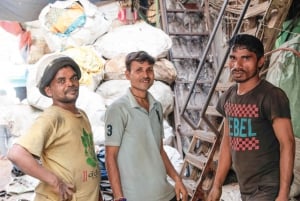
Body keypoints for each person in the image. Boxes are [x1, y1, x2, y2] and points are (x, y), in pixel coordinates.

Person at [207, 34, 295, 201]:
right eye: (233, 58)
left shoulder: (271, 96)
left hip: (268, 187)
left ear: (260, 62)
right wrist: (216, 185)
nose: (237, 65)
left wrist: (283, 193)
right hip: (246, 187)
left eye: (246, 58)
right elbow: (227, 142)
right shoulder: (228, 97)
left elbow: (287, 144)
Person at [7, 54, 103, 201]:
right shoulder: (52, 117)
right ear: (49, 91)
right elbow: (16, 154)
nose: (70, 83)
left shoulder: (82, 114)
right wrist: (54, 181)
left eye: (74, 78)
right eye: (61, 81)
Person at [104, 51, 188, 201]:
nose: (145, 75)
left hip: (165, 193)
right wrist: (118, 197)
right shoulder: (118, 109)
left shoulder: (156, 106)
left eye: (149, 70)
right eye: (139, 70)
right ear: (128, 75)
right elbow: (110, 156)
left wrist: (177, 179)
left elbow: (159, 150)